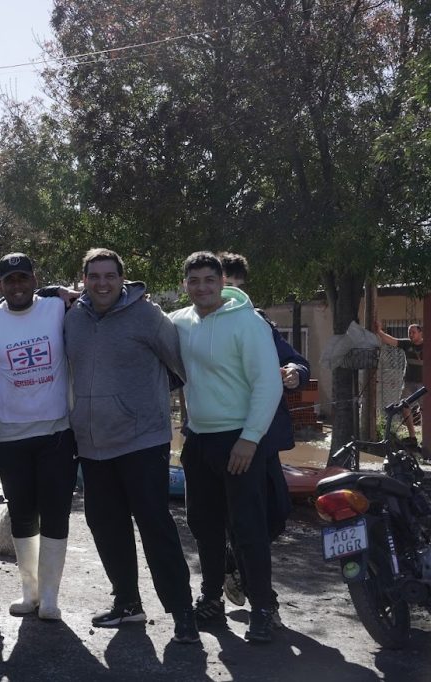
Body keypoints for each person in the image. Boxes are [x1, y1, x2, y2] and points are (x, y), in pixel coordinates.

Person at [63, 248, 198, 643]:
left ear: (123, 279)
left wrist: (150, 402)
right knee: (106, 527)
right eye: (94, 276)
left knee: (155, 526)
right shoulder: (72, 319)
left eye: (110, 275)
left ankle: (182, 613)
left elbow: (182, 366)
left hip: (142, 440)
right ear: (84, 279)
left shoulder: (148, 316)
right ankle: (127, 604)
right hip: (91, 443)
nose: (102, 283)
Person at [169, 251, 283, 644]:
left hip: (239, 440)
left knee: (248, 527)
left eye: (209, 280)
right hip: (198, 440)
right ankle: (212, 597)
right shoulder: (180, 322)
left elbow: (268, 383)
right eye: (194, 280)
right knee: (203, 525)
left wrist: (250, 439)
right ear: (185, 285)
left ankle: (263, 608)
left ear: (221, 283)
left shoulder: (248, 324)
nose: (202, 287)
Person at [0, 253, 77, 621]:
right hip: (8, 435)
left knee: (55, 512)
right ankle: (29, 593)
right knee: (21, 513)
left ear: (35, 279)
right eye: (10, 280)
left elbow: (100, 294)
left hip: (56, 430)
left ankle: (50, 597)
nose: (17, 286)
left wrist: (60, 291)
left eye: (24, 278)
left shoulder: (56, 308)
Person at [219, 252, 311, 622]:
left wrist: (294, 372)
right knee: (247, 519)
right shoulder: (194, 326)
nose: (233, 297)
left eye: (239, 289)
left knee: (277, 515)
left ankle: (233, 561)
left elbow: (297, 362)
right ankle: (262, 600)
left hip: (264, 439)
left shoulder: (258, 323)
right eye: (226, 288)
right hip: (224, 439)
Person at [374, 320, 424, 442]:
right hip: (409, 383)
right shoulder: (407, 344)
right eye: (409, 333)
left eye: (413, 332)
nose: (410, 335)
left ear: (420, 333)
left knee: (425, 411)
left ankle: (426, 438)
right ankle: (413, 437)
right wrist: (379, 331)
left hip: (424, 385)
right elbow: (391, 340)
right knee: (404, 407)